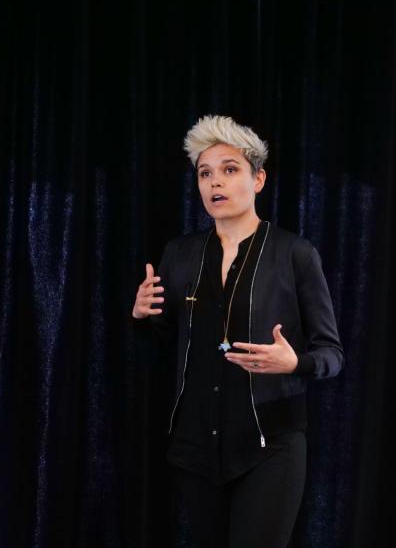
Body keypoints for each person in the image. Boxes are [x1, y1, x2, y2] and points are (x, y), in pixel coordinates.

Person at [131, 115, 343, 548]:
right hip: (194, 447)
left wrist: (295, 362)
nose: (215, 183)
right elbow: (160, 345)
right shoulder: (180, 253)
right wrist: (140, 316)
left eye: (230, 169)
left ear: (258, 179)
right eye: (205, 173)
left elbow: (332, 354)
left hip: (271, 445)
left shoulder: (294, 253)